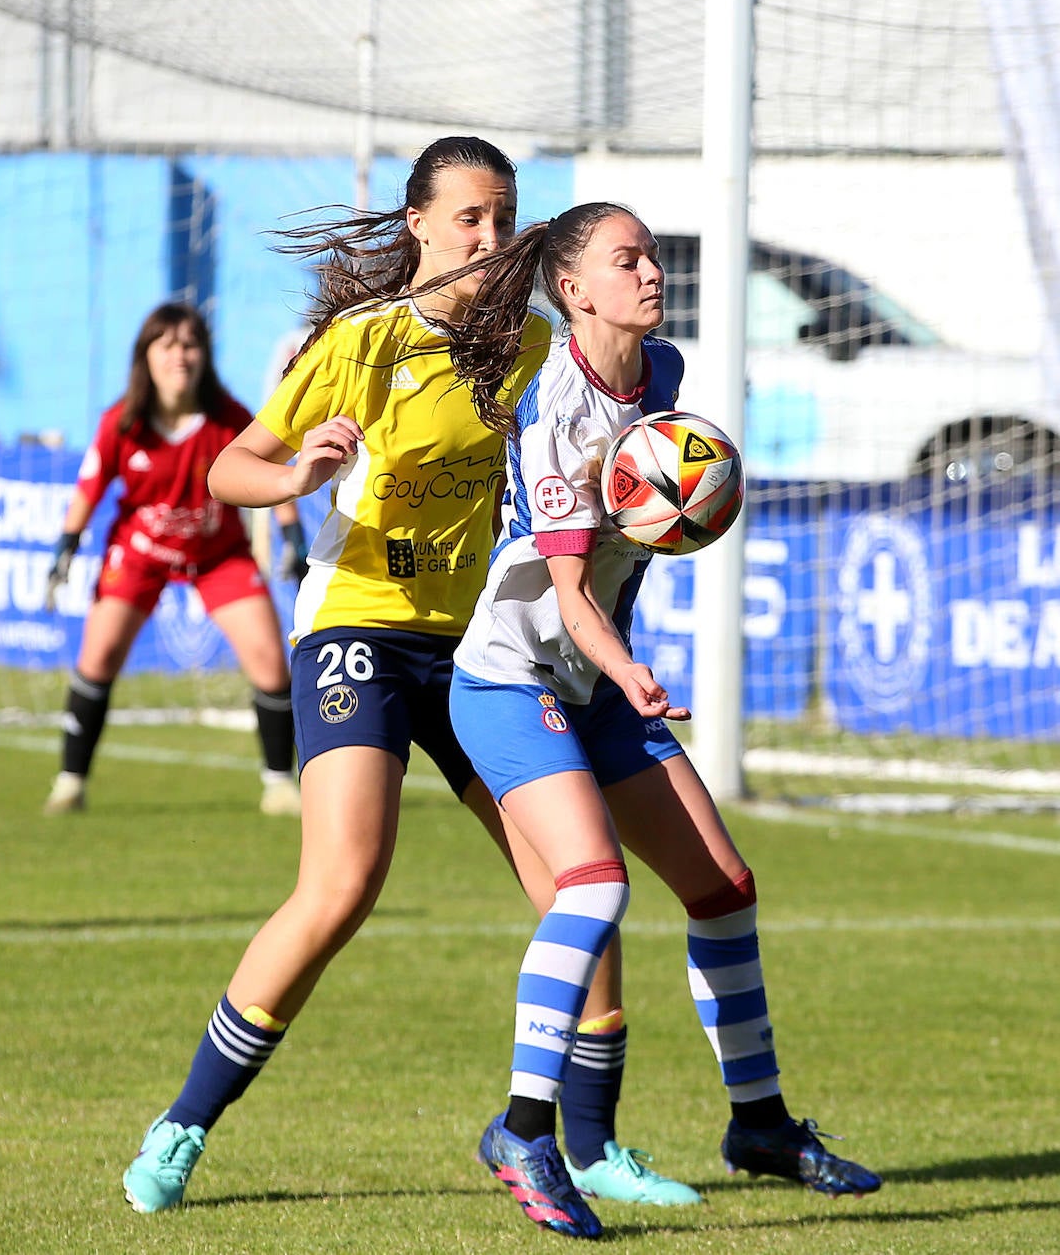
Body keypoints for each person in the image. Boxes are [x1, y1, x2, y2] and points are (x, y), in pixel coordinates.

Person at [119, 138, 698, 1217]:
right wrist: (297, 473)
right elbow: (231, 464)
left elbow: (615, 425)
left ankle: (591, 1145)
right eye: (468, 218)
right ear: (419, 224)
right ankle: (184, 1125)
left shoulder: (536, 348)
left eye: (502, 217)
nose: (488, 239)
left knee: (577, 880)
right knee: (342, 883)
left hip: (482, 647)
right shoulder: (367, 341)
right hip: (361, 632)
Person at [445, 202, 883, 1239]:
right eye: (625, 259)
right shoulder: (553, 404)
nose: (649, 274)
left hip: (593, 685)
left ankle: (761, 1125)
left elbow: (648, 521)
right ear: (573, 288)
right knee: (593, 887)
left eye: (649, 257)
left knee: (722, 887)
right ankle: (522, 1130)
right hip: (513, 679)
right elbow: (568, 596)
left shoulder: (666, 376)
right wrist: (631, 672)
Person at [43, 300, 305, 819]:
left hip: (218, 554)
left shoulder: (228, 417)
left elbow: (273, 472)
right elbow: (88, 490)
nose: (180, 356)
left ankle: (279, 784)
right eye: (167, 345)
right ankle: (70, 782)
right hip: (139, 554)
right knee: (98, 658)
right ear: (146, 356)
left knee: (271, 661)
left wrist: (292, 537)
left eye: (190, 345)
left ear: (204, 355)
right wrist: (65, 548)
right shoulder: (121, 421)